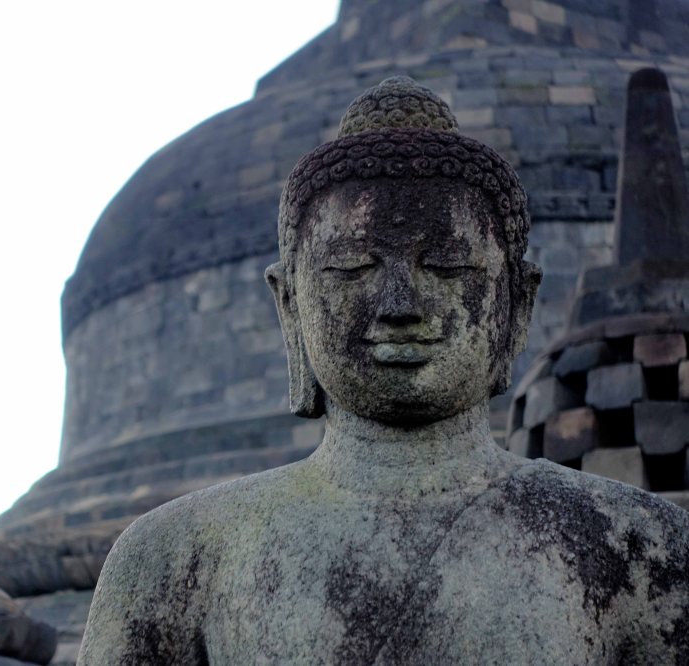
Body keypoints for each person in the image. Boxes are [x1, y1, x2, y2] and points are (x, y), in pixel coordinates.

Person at [77, 77, 689, 665]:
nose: (399, 305)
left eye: (448, 265)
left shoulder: (639, 548)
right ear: (290, 305)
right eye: (350, 269)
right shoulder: (177, 557)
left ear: (515, 305)